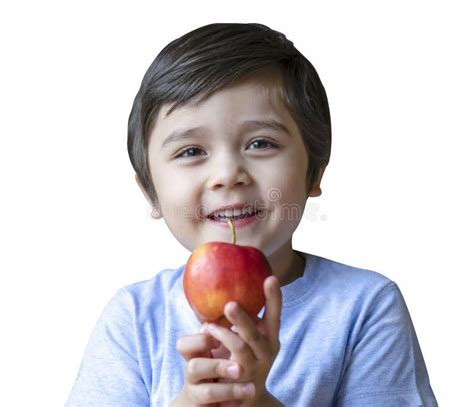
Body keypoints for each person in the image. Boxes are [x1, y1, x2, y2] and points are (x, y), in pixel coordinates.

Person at [66, 23, 438, 406]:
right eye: (191, 151)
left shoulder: (364, 307)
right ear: (151, 193)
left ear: (316, 172)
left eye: (261, 143)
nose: (228, 175)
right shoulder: (134, 319)